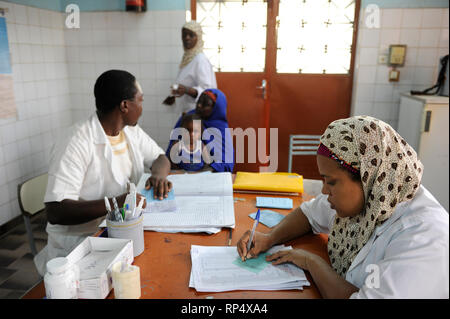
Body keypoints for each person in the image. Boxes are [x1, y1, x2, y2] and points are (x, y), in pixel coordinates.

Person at [237, 115, 449, 299]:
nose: (324, 191)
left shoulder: (423, 237)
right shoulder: (370, 197)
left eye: (331, 181)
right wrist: (270, 237)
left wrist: (313, 262)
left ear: (368, 176)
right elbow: (309, 213)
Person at [34, 70, 172, 276]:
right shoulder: (75, 142)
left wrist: (159, 175)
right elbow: (55, 211)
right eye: (140, 101)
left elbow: (160, 158)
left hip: (118, 233)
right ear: (125, 106)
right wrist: (117, 203)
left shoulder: (130, 130)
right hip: (80, 246)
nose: (142, 108)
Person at [166, 89, 234, 173]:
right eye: (199, 102)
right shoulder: (187, 118)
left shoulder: (220, 128)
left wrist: (199, 173)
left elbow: (226, 163)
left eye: (206, 104)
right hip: (181, 172)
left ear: (216, 108)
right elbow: (170, 154)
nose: (199, 106)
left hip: (208, 174)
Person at [162, 20, 217, 114]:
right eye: (184, 35)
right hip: (186, 111)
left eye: (191, 35)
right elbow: (186, 80)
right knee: (186, 129)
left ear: (198, 37)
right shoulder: (188, 58)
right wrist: (174, 95)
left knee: (195, 129)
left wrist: (186, 90)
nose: (187, 38)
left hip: (197, 112)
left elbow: (208, 91)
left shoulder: (200, 60)